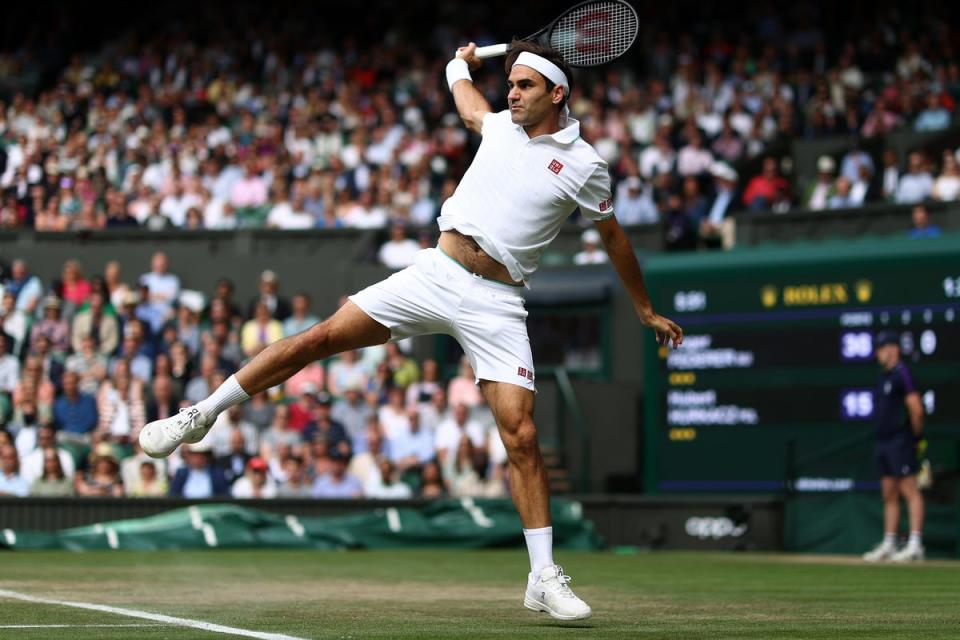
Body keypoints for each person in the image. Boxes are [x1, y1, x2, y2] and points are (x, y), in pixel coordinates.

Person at [140, 40, 683, 622]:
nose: (513, 92)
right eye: (511, 84)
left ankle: (542, 577)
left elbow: (613, 237)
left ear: (558, 94)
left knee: (521, 435)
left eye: (525, 85)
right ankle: (200, 415)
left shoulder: (585, 164)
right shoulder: (497, 125)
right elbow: (466, 101)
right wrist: (457, 64)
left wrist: (644, 309)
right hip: (437, 273)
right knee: (319, 338)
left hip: (499, 304)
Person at [863, 331, 926, 563]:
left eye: (882, 348)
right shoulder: (883, 376)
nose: (878, 353)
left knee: (910, 489)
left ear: (893, 349)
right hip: (883, 441)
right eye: (878, 349)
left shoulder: (903, 374)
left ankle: (915, 543)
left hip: (901, 440)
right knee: (889, 492)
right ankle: (890, 542)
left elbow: (916, 409)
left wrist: (916, 438)